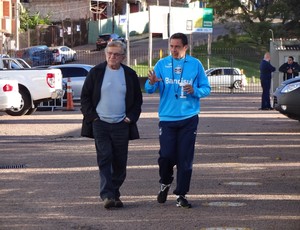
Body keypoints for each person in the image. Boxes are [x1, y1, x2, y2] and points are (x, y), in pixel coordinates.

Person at [145, 33, 211, 208]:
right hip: (167, 118)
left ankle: (181, 194)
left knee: (185, 159)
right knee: (166, 156)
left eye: (177, 47)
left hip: (189, 118)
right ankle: (165, 182)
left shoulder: (195, 65)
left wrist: (195, 90)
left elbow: (206, 88)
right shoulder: (162, 64)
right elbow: (149, 89)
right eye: (171, 46)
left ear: (185, 47)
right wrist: (151, 83)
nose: (174, 50)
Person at [80, 41, 143, 209]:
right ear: (105, 54)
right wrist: (92, 117)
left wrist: (131, 118)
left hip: (122, 124)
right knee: (105, 157)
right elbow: (85, 97)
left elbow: (137, 100)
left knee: (120, 162)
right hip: (100, 123)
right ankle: (107, 195)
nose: (112, 57)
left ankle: (115, 193)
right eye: (109, 53)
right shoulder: (96, 72)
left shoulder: (129, 74)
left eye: (116, 54)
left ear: (122, 57)